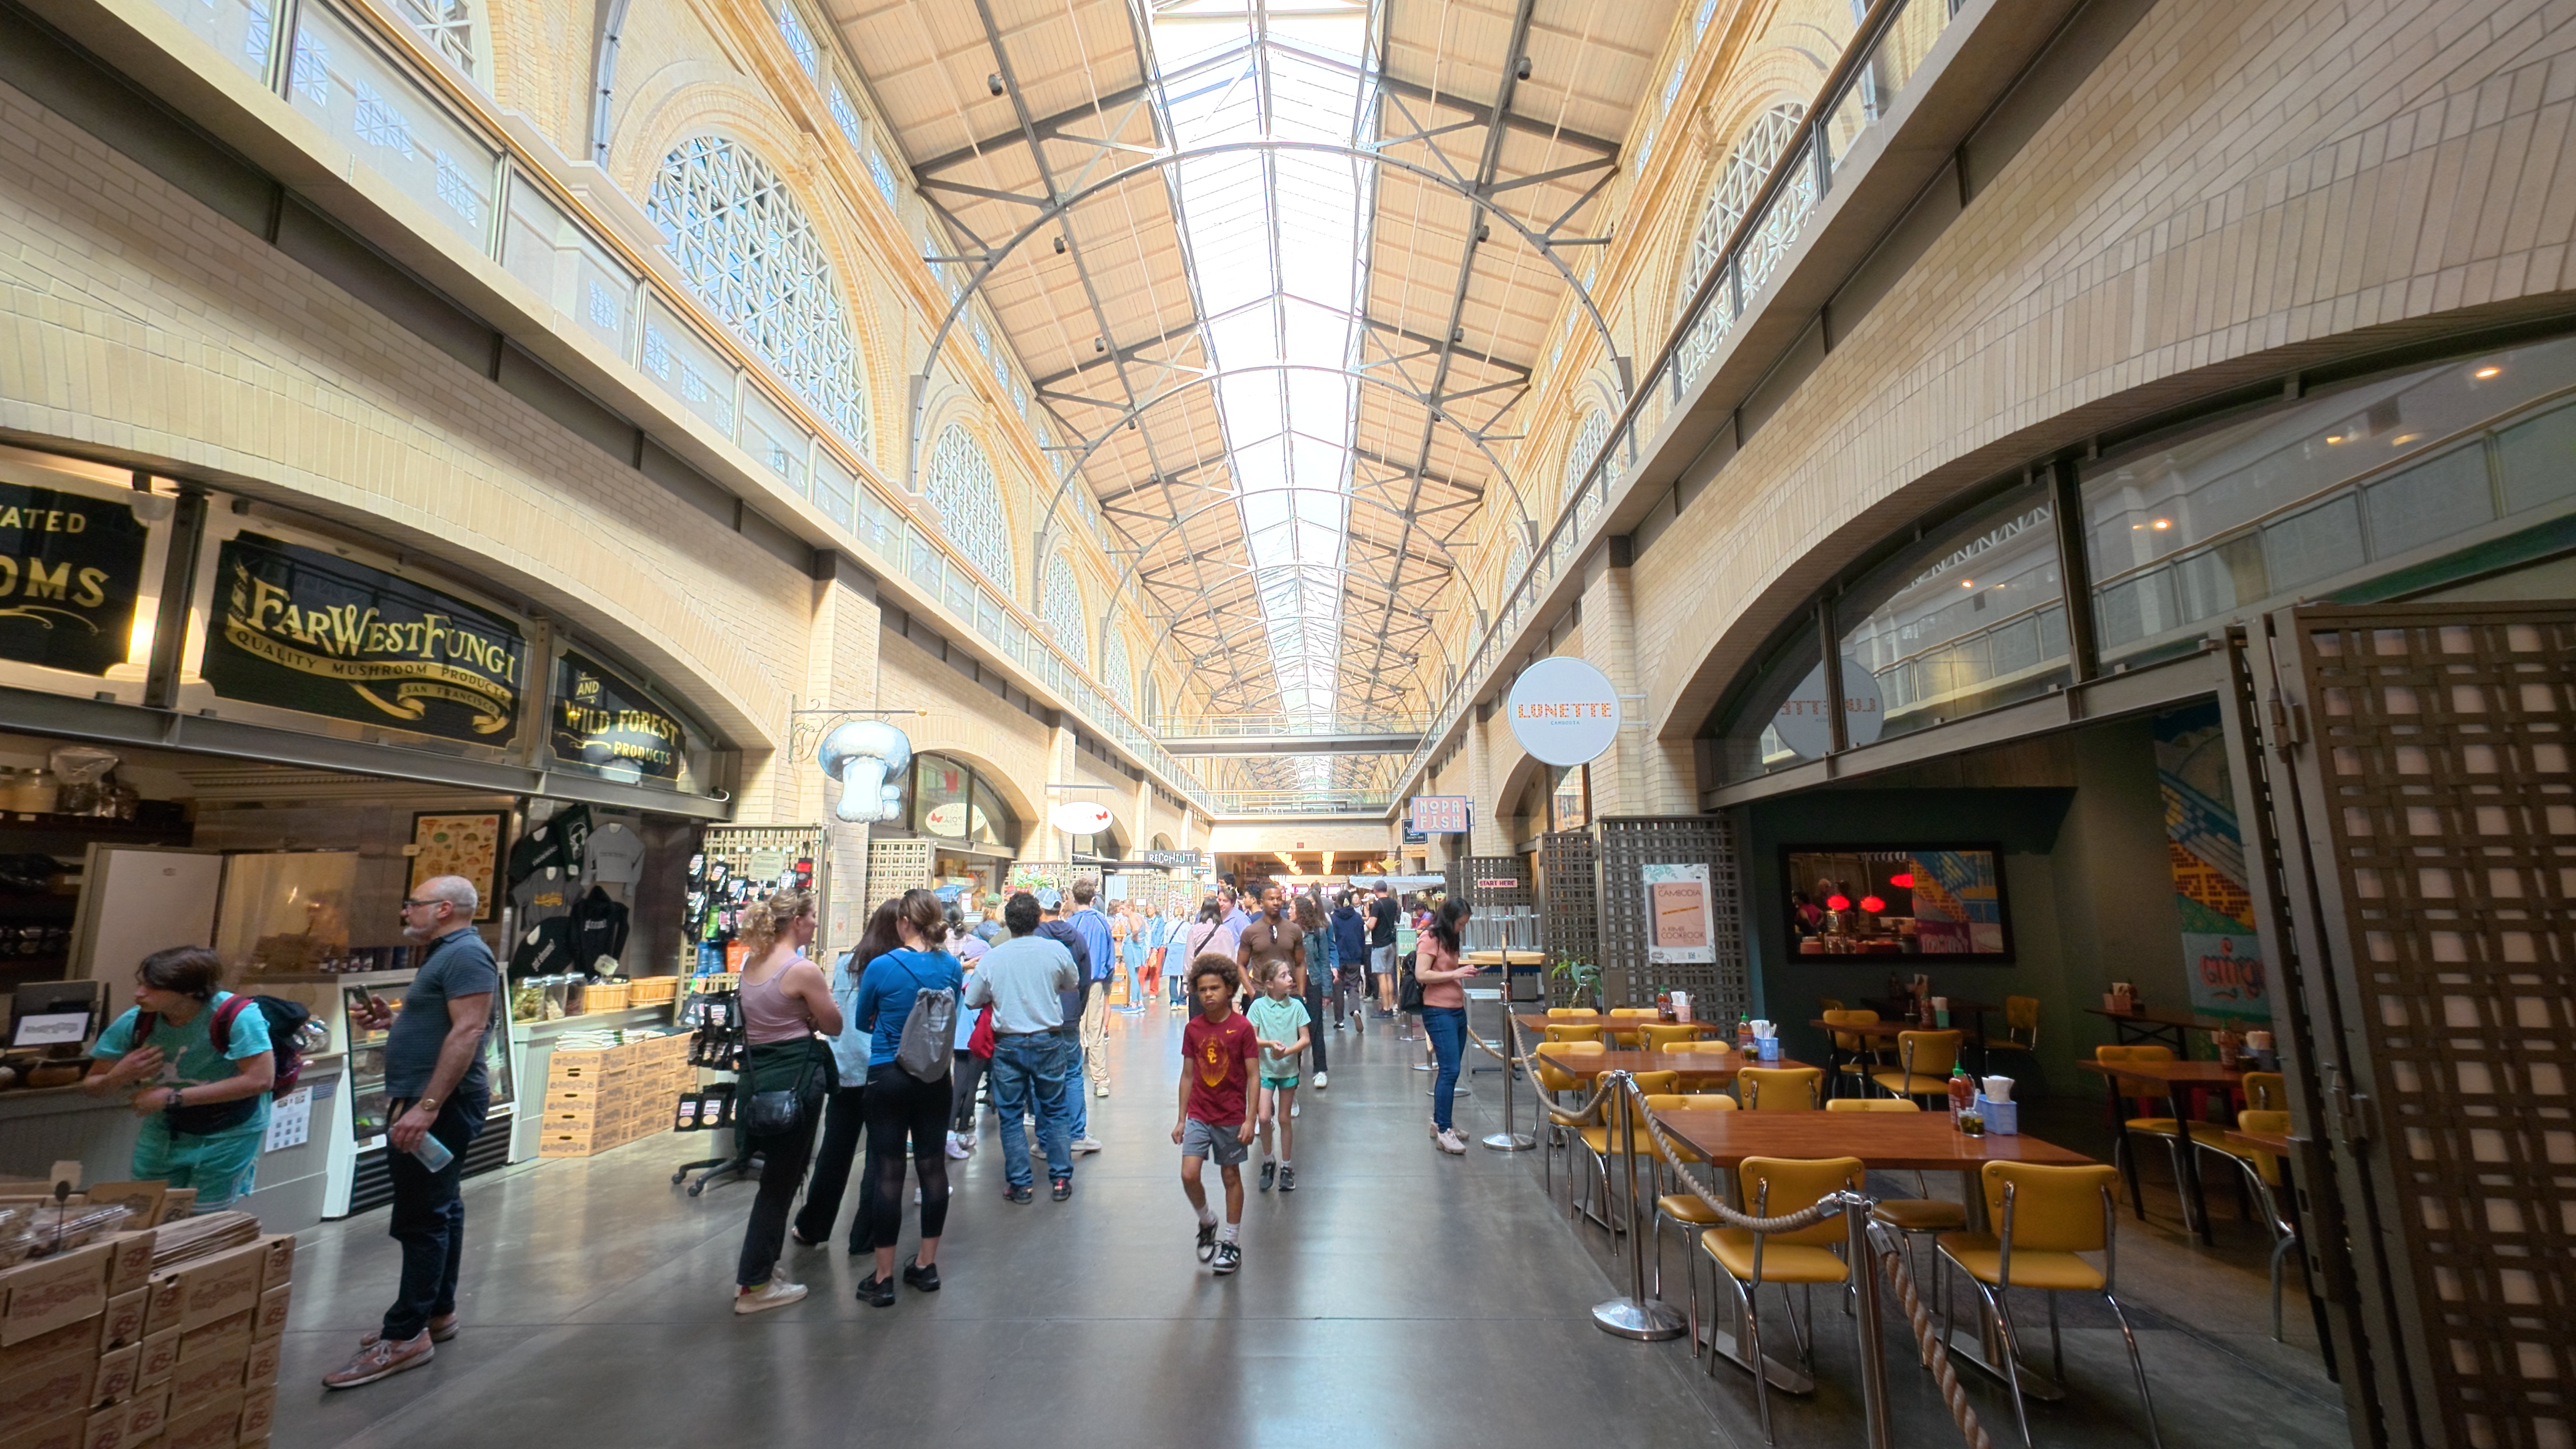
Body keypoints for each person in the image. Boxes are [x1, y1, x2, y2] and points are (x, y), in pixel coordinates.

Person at [320, 875, 500, 1384]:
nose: (406, 912)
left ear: (443, 909)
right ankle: (437, 1313)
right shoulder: (447, 954)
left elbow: (470, 1031)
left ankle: (405, 1336)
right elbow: (449, 1027)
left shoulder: (465, 954)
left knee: (421, 1218)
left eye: (413, 904)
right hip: (432, 1100)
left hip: (439, 1104)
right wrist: (394, 1023)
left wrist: (426, 1107)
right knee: (442, 1208)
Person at [83, 946, 276, 1213]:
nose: (139, 994)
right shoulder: (136, 1021)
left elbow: (260, 1081)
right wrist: (119, 1076)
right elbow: (93, 1087)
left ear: (190, 991)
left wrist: (172, 1098)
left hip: (228, 1129)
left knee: (203, 1219)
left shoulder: (237, 1016)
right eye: (141, 984)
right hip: (165, 1128)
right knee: (148, 1211)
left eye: (153, 988)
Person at [725, 890, 843, 1315]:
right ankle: (754, 1284)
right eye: (812, 917)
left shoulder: (751, 964)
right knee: (780, 1183)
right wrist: (812, 1016)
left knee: (778, 1178)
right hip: (797, 1080)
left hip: (759, 1080)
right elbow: (834, 1024)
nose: (815, 924)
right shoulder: (802, 970)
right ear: (797, 921)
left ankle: (763, 1270)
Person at [850, 889, 963, 1307]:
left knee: (889, 1173)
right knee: (932, 1168)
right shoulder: (951, 966)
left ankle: (883, 1278)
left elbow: (863, 1021)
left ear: (903, 922)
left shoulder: (881, 966)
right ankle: (925, 1265)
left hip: (888, 1075)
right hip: (934, 1077)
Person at [793, 900, 900, 1254]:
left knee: (835, 1152)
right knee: (880, 1156)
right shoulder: (897, 967)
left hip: (845, 1070)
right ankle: (865, 1237)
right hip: (883, 1070)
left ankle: (812, 1226)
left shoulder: (845, 963)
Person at [965, 892, 1081, 1203]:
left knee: (1012, 1114)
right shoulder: (1055, 951)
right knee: (1055, 1111)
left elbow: (972, 999)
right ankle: (1061, 1180)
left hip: (1009, 1044)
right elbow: (1072, 983)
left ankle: (1021, 1184)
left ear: (1007, 921)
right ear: (1038, 919)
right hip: (1048, 1040)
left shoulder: (994, 957)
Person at [1174, 954, 1258, 1276]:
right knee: (1189, 1174)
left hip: (1231, 1116)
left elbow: (1254, 1075)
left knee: (1230, 1176)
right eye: (1203, 989)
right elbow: (1187, 1075)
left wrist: (1250, 1118)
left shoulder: (1243, 1028)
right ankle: (1207, 1220)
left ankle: (1232, 1242)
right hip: (1199, 1113)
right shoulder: (1193, 1029)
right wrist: (1181, 1119)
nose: (1208, 995)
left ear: (1230, 989)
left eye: (1215, 988)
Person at [1033, 891, 1101, 1154]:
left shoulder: (1034, 938)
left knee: (1041, 1077)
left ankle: (1046, 1139)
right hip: (1070, 1014)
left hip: (1041, 1017)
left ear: (1040, 909)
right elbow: (1084, 979)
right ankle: (1076, 1134)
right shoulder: (1077, 937)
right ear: (1061, 908)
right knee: (1073, 1073)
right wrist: (1077, 1009)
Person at [1415, 898, 1478, 1155]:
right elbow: (1422, 974)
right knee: (1450, 1070)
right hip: (1438, 1011)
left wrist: (1462, 971)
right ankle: (1444, 1130)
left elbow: (1446, 970)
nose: (1462, 928)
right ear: (1450, 919)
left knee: (1450, 1070)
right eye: (1460, 923)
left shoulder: (1451, 939)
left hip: (1456, 1010)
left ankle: (1442, 1121)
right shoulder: (1430, 938)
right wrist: (1456, 974)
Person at [1246, 963, 1311, 1192]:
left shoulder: (1297, 1007)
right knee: (1264, 1117)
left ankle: (1287, 1166)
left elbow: (1305, 1038)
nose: (1290, 979)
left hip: (1288, 1071)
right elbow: (1251, 1038)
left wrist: (1288, 1052)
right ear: (1270, 984)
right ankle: (1268, 1160)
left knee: (1284, 1118)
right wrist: (1269, 1044)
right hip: (1264, 1071)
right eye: (1284, 976)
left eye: (1289, 975)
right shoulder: (1258, 1007)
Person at [943, 906, 990, 1160]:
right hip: (976, 1041)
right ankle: (960, 1131)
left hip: (957, 1039)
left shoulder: (956, 982)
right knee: (971, 1086)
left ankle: (950, 1131)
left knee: (958, 1085)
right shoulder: (979, 986)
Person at [1067, 882, 1114, 1099]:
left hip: (1073, 984)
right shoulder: (1102, 923)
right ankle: (1101, 1080)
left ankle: (1073, 1077)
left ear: (1073, 899)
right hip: (1096, 981)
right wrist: (1108, 981)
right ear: (1093, 899)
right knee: (1095, 1031)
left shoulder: (1070, 924)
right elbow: (1110, 955)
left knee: (1075, 1030)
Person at [1289, 892, 1330, 1089]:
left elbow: (1324, 962)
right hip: (1292, 984)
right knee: (1292, 1028)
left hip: (1313, 983)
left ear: (1301, 912)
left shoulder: (1318, 933)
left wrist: (1327, 991)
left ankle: (1320, 1070)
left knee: (1315, 1027)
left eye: (1292, 908)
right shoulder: (1286, 932)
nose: (1289, 911)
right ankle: (1293, 1070)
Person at [1329, 891, 1368, 1034]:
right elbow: (1361, 938)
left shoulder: (1333, 918)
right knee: (1353, 986)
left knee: (1338, 989)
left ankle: (1339, 1021)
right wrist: (1362, 957)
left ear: (1338, 902)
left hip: (1338, 958)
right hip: (1354, 957)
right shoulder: (1358, 918)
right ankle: (1356, 1010)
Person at [1177, 898, 1223, 1009]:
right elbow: (1231, 959)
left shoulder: (1195, 931)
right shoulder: (1226, 932)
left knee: (1198, 1017)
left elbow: (1189, 959)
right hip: (1220, 982)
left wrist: (1186, 981)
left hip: (1199, 982)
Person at [1367, 886, 1400, 1019]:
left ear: (1376, 891)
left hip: (1380, 944)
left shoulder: (1377, 904)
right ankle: (1391, 1007)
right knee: (1389, 976)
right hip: (1391, 944)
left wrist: (1367, 921)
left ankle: (1386, 1008)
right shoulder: (1394, 903)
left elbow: (1372, 925)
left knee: (1381, 977)